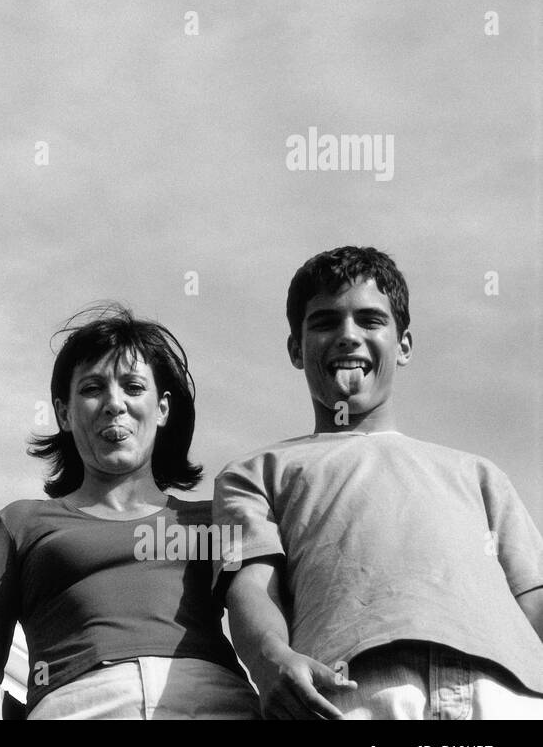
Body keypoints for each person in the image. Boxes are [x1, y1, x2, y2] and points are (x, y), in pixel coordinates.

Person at [216, 246, 543, 719]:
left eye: (370, 320)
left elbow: (532, 596)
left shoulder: (479, 474)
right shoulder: (256, 471)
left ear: (403, 345)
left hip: (512, 693)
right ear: (295, 348)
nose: (348, 335)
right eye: (325, 322)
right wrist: (273, 660)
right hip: (354, 689)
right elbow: (251, 587)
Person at [0, 306, 258, 719]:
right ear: (65, 414)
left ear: (162, 409)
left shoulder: (215, 517)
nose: (114, 403)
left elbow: (271, 615)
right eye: (92, 388)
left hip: (214, 703)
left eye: (133, 386)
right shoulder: (20, 524)